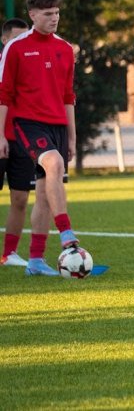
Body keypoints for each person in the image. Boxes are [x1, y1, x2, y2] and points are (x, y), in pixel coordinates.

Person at [0, 0, 80, 277]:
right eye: (48, 14)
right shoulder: (17, 47)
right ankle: (67, 233)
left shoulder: (65, 49)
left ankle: (35, 260)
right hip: (27, 124)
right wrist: (0, 135)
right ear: (33, 15)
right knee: (54, 163)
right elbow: (4, 94)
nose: (54, 18)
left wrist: (72, 137)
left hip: (57, 125)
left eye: (56, 12)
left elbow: (69, 96)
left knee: (46, 194)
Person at [0, 18, 52, 270]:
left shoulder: (32, 67)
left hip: (21, 140)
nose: (22, 43)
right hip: (0, 138)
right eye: (17, 38)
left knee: (20, 198)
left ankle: (8, 254)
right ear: (4, 40)